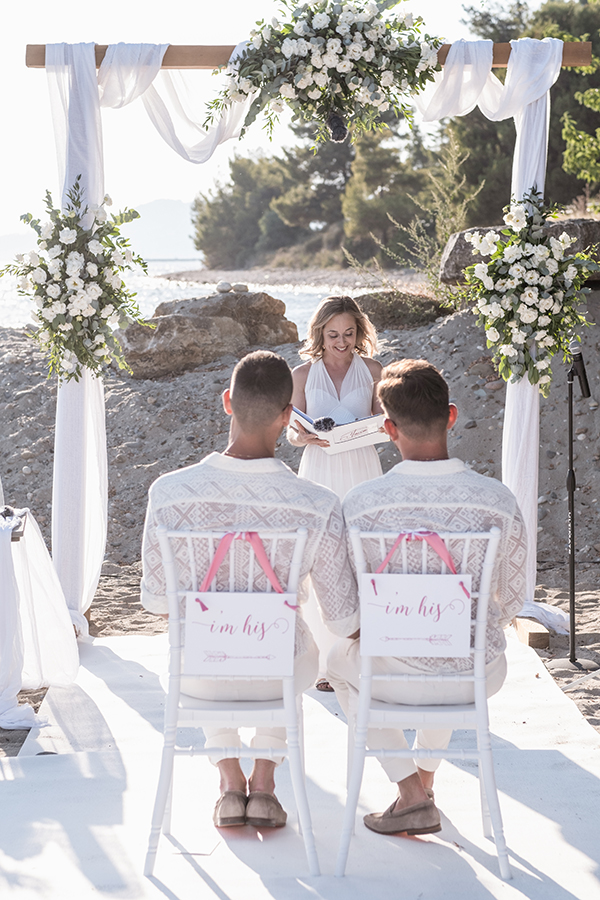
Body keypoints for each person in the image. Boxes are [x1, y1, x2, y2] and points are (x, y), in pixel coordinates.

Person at [141, 350, 359, 831]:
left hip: (196, 674)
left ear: (227, 402)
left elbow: (157, 602)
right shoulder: (317, 503)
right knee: (287, 644)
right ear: (288, 416)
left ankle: (228, 781)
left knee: (203, 639)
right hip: (279, 671)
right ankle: (263, 784)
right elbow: (343, 617)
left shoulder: (169, 492)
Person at [328, 359, 527, 837]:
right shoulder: (497, 500)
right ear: (451, 416)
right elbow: (514, 599)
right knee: (456, 641)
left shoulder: (361, 504)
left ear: (388, 428)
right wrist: (452, 622)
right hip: (477, 675)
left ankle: (410, 790)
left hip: (389, 673)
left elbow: (343, 614)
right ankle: (424, 779)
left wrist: (397, 627)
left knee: (337, 662)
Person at [287, 296, 383, 689]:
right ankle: (326, 664)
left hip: (362, 466)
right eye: (333, 335)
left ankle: (362, 658)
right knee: (320, 559)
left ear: (359, 332)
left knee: (362, 555)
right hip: (319, 467)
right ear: (319, 334)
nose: (341, 342)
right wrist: (304, 436)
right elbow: (292, 430)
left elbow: (384, 420)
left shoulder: (374, 370)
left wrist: (374, 425)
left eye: (348, 333)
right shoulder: (302, 374)